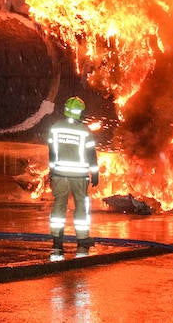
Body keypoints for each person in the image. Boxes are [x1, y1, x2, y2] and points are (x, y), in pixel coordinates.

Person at [48, 96, 99, 256]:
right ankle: (82, 240)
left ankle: (57, 241)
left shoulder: (55, 128)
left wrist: (52, 171)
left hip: (60, 174)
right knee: (81, 207)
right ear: (79, 112)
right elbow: (91, 155)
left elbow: (52, 153)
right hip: (79, 175)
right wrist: (95, 173)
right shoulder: (84, 131)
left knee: (59, 206)